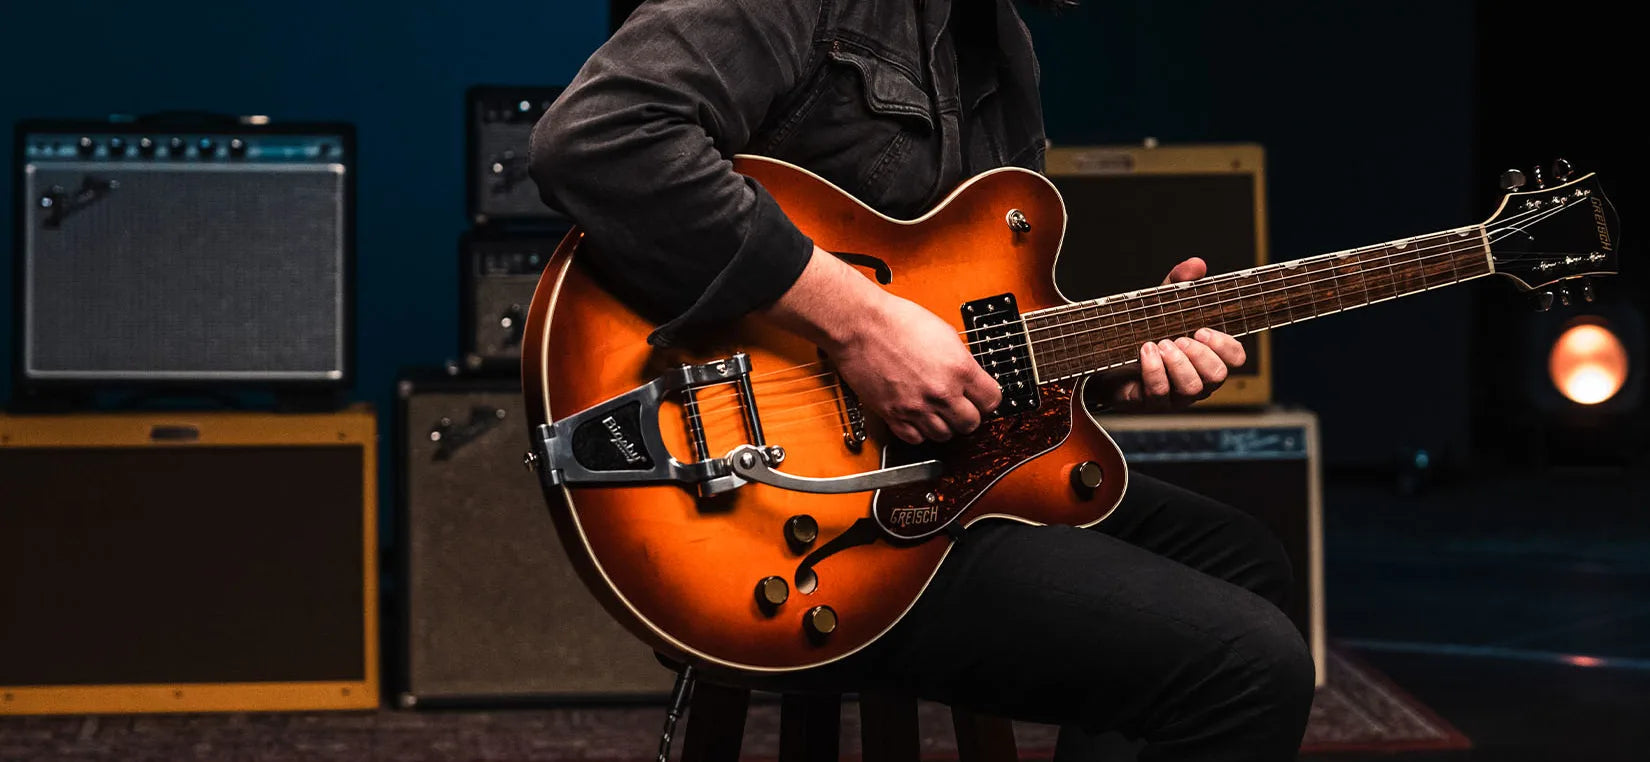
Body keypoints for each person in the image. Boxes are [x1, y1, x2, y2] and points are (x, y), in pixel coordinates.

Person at [529, 1, 1316, 759]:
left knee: (1244, 559)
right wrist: (860, 324)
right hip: (791, 515)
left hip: (938, 476)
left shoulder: (1002, 42)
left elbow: (979, 326)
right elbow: (598, 137)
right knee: (1249, 667)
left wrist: (1105, 374)